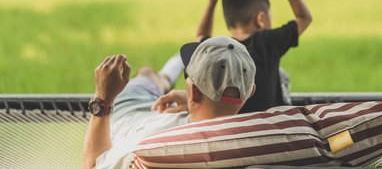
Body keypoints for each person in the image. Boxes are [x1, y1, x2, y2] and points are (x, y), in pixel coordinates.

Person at [82, 35, 256, 169]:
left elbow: (93, 165)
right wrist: (191, 105)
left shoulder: (150, 143)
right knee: (155, 83)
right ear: (250, 92)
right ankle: (165, 77)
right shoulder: (256, 138)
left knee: (146, 74)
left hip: (129, 113)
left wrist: (102, 100)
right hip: (172, 110)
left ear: (193, 90)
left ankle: (166, 75)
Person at [196, 0, 312, 113]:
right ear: (260, 19)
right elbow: (304, 18)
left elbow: (201, 36)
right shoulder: (267, 43)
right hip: (269, 127)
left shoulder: (218, 49)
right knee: (282, 74)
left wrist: (211, 3)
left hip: (233, 127)